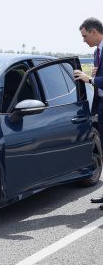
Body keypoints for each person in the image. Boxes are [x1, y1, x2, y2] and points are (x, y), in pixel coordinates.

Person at [74, 17, 103, 208]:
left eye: (85, 36)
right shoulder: (96, 52)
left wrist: (90, 80)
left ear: (94, 31)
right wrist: (96, 75)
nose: (84, 40)